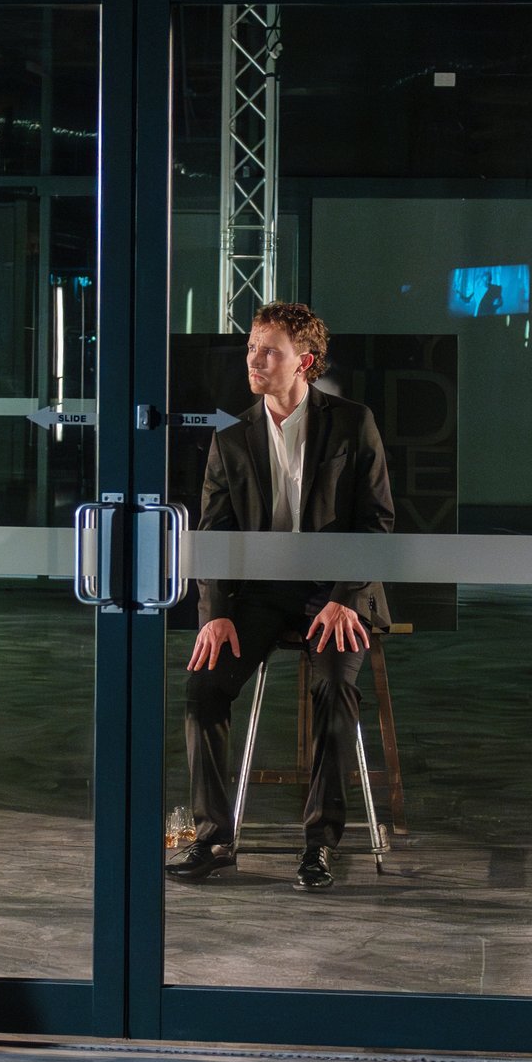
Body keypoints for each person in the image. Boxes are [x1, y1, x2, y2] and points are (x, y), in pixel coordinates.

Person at [167, 301, 395, 893]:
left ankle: (319, 844)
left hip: (336, 591)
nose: (254, 359)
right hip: (261, 593)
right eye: (251, 348)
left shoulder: (353, 423)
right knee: (204, 687)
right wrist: (215, 614)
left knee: (334, 687)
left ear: (305, 362)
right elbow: (212, 534)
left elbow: (376, 522)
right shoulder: (231, 437)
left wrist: (345, 597)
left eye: (269, 350)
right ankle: (213, 838)